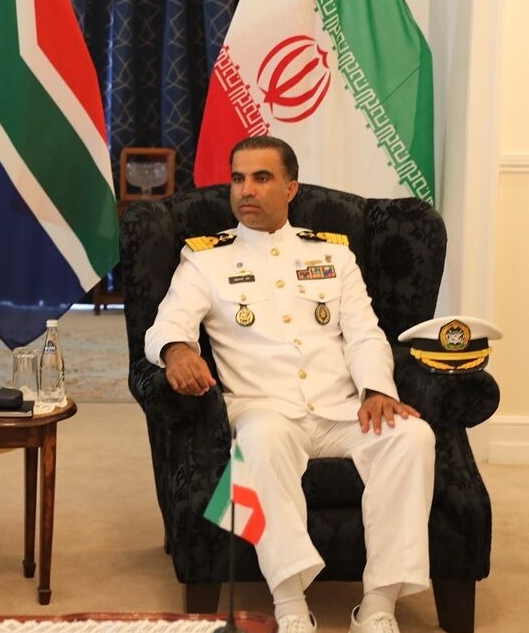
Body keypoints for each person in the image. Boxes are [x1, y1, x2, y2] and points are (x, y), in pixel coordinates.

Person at [145, 136, 434, 633]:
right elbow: (164, 327)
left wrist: (376, 390)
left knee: (412, 436)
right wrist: (178, 352)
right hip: (262, 409)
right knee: (259, 441)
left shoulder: (335, 257)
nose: (246, 190)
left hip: (339, 408)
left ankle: (378, 605)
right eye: (238, 178)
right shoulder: (206, 260)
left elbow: (365, 334)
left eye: (261, 178)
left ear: (291, 188)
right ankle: (290, 604)